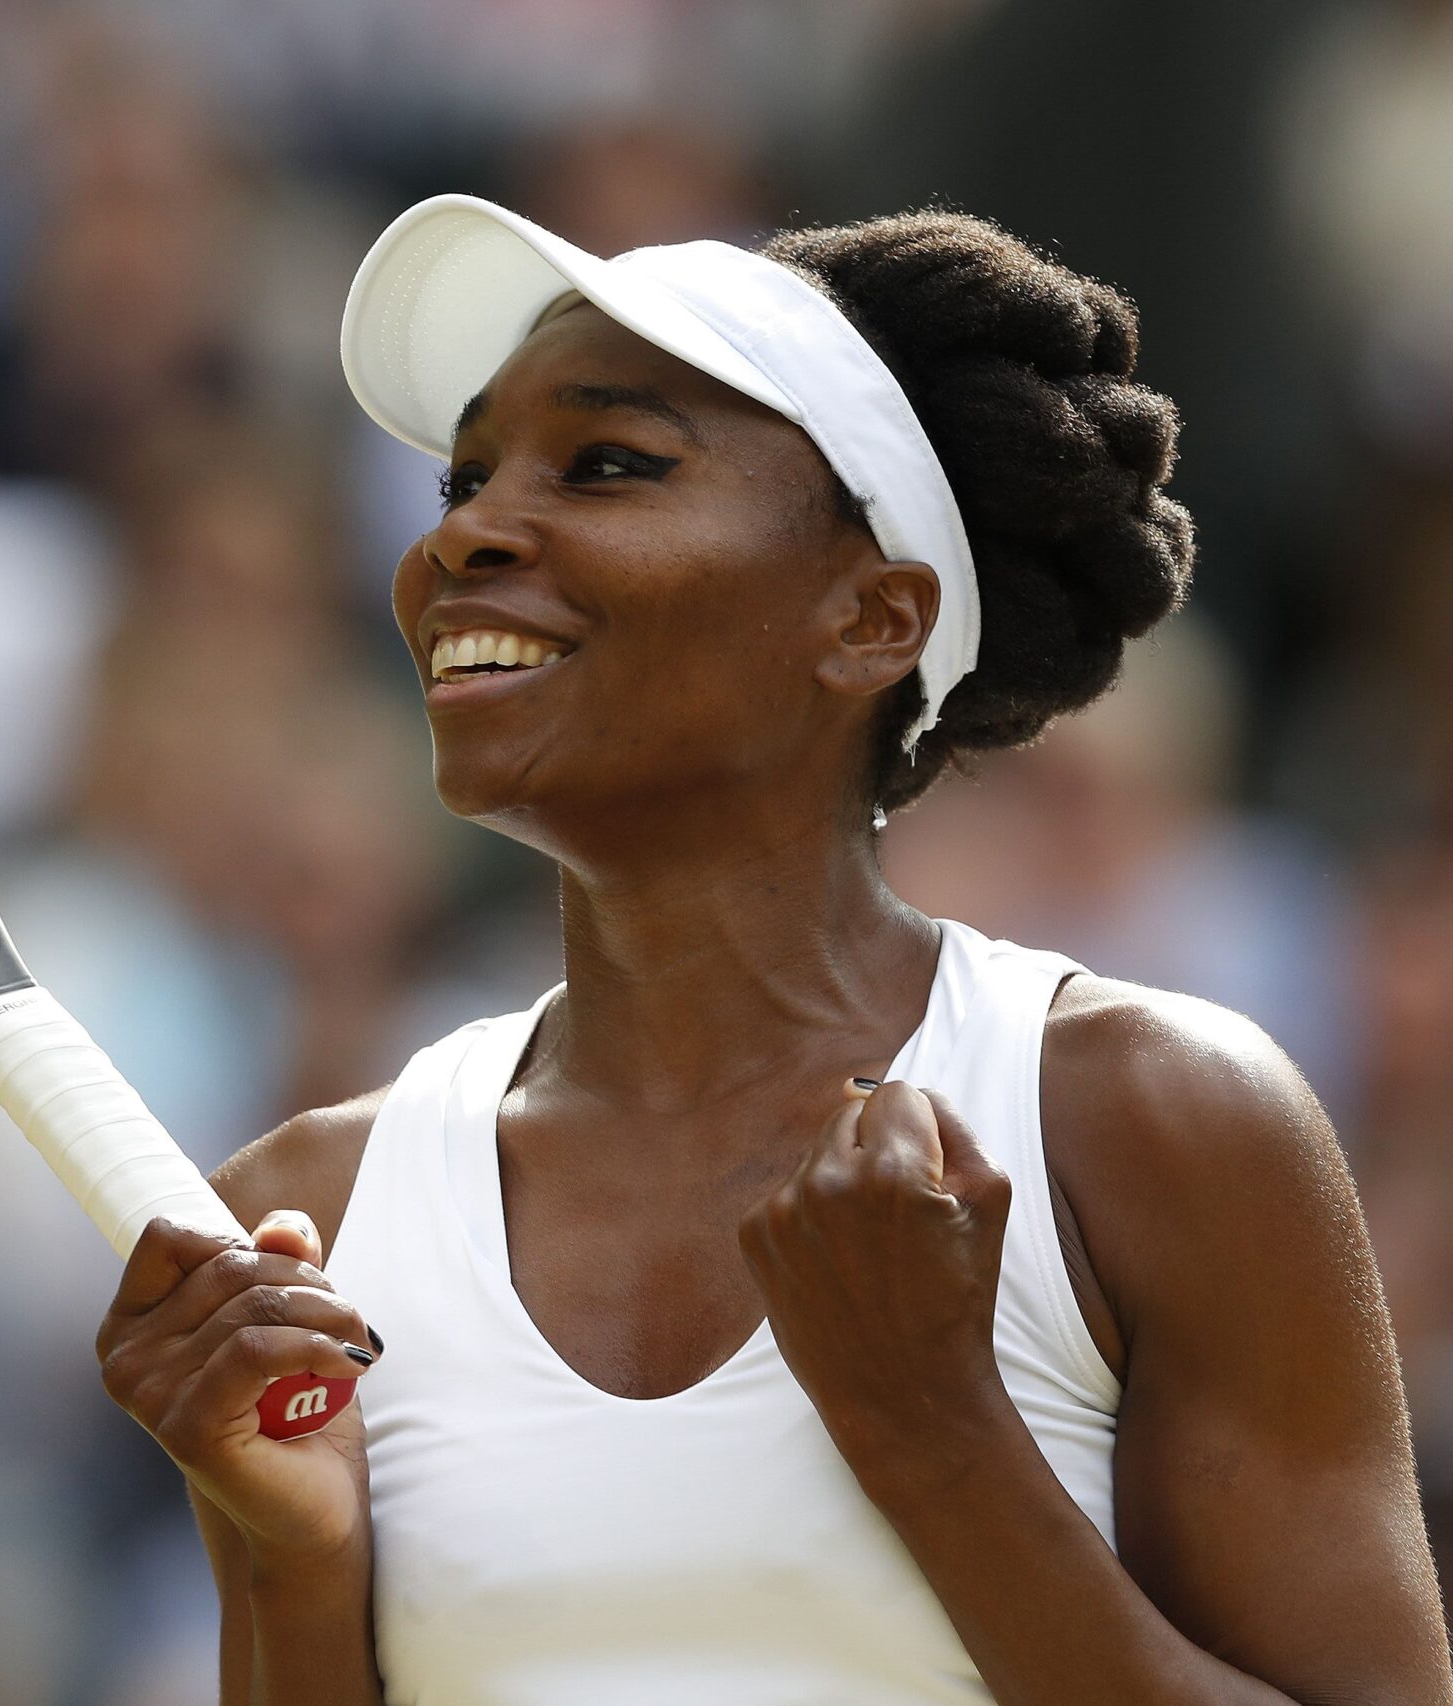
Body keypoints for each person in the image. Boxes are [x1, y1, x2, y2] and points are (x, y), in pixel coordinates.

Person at [90, 196, 1453, 1704]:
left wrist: (940, 1435)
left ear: (871, 620)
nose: (462, 534)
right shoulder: (309, 1215)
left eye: (608, 464)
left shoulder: (1152, 1119)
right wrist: (293, 1561)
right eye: (465, 479)